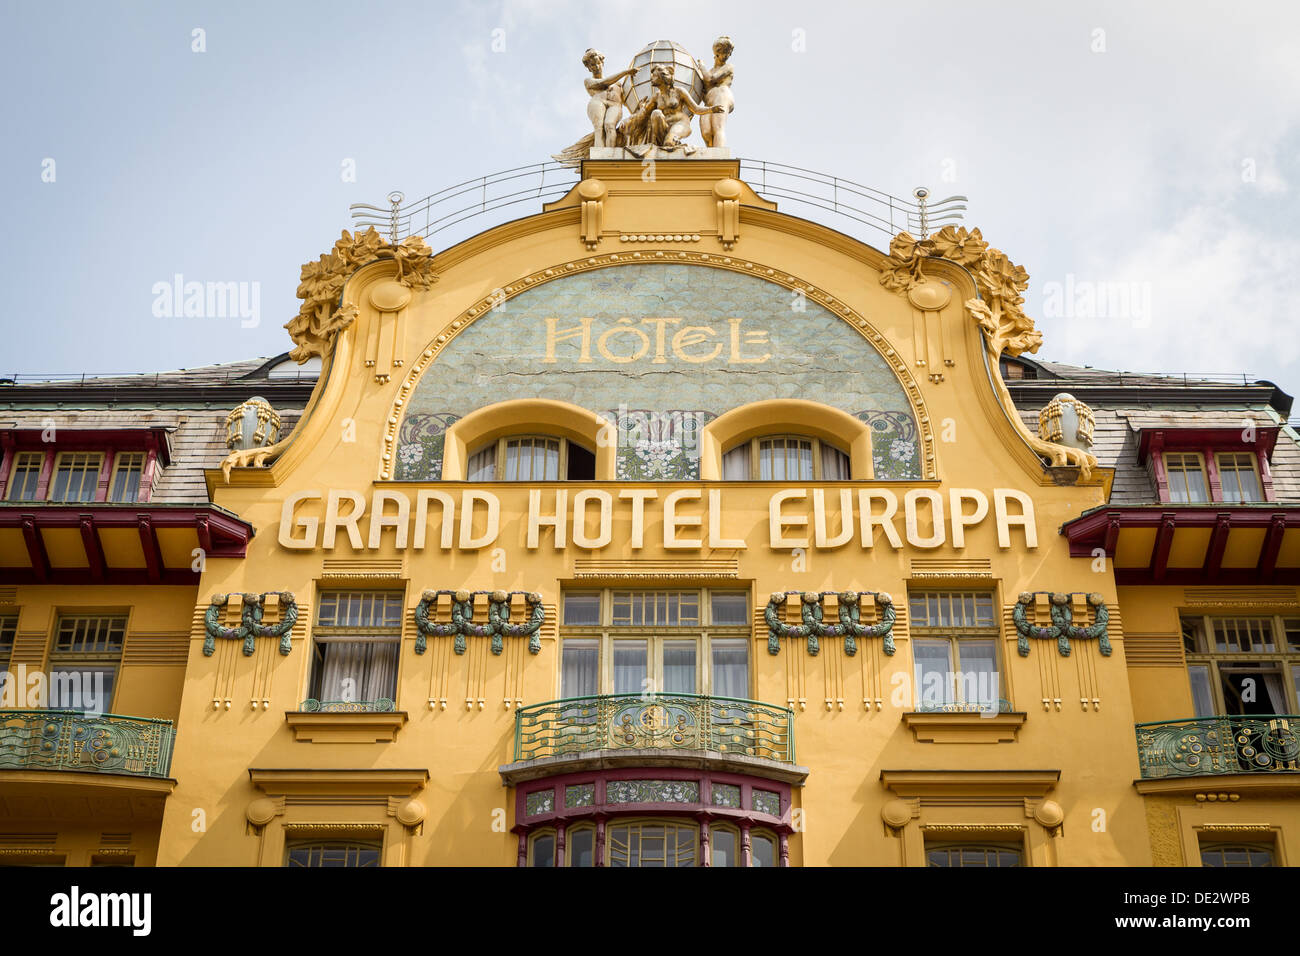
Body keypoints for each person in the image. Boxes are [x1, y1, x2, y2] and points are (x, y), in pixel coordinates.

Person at [621, 62, 724, 151]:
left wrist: (711, 109)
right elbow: (643, 114)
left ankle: (670, 142)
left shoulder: (679, 91)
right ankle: (658, 145)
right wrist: (627, 122)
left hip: (680, 124)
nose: (651, 78)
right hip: (664, 126)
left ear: (662, 77)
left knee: (669, 144)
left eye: (654, 76)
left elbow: (695, 109)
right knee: (655, 113)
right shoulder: (656, 97)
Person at [582, 49, 636, 149]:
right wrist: (625, 73)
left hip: (615, 105)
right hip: (598, 102)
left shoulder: (618, 84)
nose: (597, 67)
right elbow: (602, 83)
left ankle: (610, 154)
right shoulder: (588, 81)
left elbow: (628, 100)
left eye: (598, 63)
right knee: (599, 128)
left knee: (609, 124)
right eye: (592, 65)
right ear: (589, 68)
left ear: (602, 62)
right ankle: (600, 155)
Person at [697, 36, 735, 149]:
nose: (727, 55)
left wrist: (701, 67)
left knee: (718, 127)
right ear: (717, 52)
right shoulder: (709, 71)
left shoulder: (728, 67)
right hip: (709, 101)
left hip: (722, 95)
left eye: (728, 52)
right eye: (724, 51)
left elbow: (710, 79)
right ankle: (711, 158)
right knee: (706, 131)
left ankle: (719, 156)